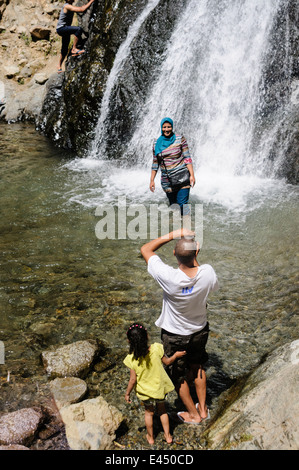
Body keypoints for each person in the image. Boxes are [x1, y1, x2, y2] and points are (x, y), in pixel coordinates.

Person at [140, 228, 219, 425]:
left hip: (175, 334)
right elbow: (205, 278)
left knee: (178, 375)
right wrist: (194, 255)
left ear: (174, 254)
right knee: (197, 365)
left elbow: (146, 249)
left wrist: (174, 234)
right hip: (199, 330)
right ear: (196, 253)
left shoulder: (169, 277)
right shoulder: (208, 273)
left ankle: (193, 415)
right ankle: (202, 409)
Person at [124, 322, 186, 444]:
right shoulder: (157, 348)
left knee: (149, 413)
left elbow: (132, 380)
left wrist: (127, 393)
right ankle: (168, 436)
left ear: (129, 341)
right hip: (158, 389)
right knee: (162, 411)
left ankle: (151, 438)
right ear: (147, 336)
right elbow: (167, 362)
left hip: (144, 391)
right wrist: (176, 355)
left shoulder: (131, 359)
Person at [150, 118, 195, 215]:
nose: (167, 129)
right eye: (164, 127)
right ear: (161, 128)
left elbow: (187, 158)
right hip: (167, 181)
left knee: (183, 205)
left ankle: (187, 225)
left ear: (172, 127)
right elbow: (155, 163)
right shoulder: (156, 143)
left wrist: (192, 175)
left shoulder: (180, 139)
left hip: (182, 178)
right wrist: (152, 180)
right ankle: (176, 227)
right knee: (174, 206)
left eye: (169, 127)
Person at [56, 0, 95, 72]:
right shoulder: (67, 6)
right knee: (78, 29)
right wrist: (91, 1)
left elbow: (81, 7)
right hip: (62, 29)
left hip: (63, 29)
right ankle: (74, 49)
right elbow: (81, 9)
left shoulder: (70, 6)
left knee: (64, 48)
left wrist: (86, 4)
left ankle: (59, 66)